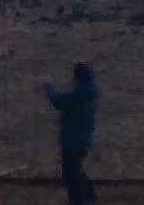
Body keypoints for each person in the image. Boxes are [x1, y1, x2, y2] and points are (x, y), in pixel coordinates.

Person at [44, 63, 100, 205]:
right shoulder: (91, 91)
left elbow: (59, 102)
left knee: (70, 173)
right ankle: (89, 195)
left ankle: (78, 200)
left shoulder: (79, 94)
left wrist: (49, 89)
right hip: (84, 138)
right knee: (75, 169)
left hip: (72, 139)